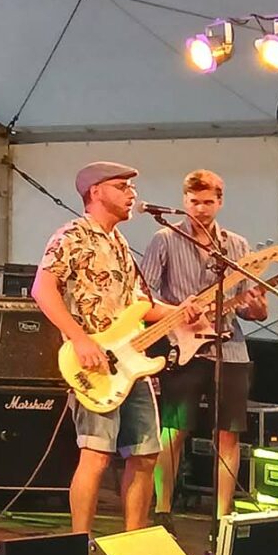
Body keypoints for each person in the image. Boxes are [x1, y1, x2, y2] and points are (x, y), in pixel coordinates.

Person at [31, 161, 190, 536]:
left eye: (132, 188)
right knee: (97, 455)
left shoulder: (119, 244)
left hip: (131, 362)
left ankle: (134, 542)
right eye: (122, 187)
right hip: (93, 364)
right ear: (96, 191)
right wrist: (79, 338)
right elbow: (42, 289)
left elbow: (139, 305)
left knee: (146, 454)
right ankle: (79, 544)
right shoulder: (72, 235)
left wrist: (182, 312)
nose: (132, 194)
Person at [142, 169, 268, 524]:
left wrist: (257, 306)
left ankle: (223, 516)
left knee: (229, 432)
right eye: (194, 202)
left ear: (220, 202)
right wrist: (176, 312)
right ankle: (163, 508)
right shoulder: (164, 240)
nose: (201, 209)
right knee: (174, 429)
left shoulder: (236, 246)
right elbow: (143, 296)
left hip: (229, 347)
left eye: (208, 202)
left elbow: (252, 310)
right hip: (181, 347)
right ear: (184, 201)